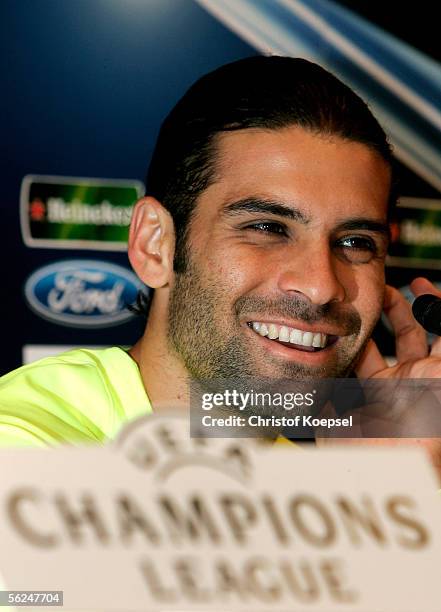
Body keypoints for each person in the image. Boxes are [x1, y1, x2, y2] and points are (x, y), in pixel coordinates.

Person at [1, 56, 440, 472]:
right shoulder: (27, 443)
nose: (321, 285)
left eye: (355, 241)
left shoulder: (327, 475)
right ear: (156, 245)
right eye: (268, 228)